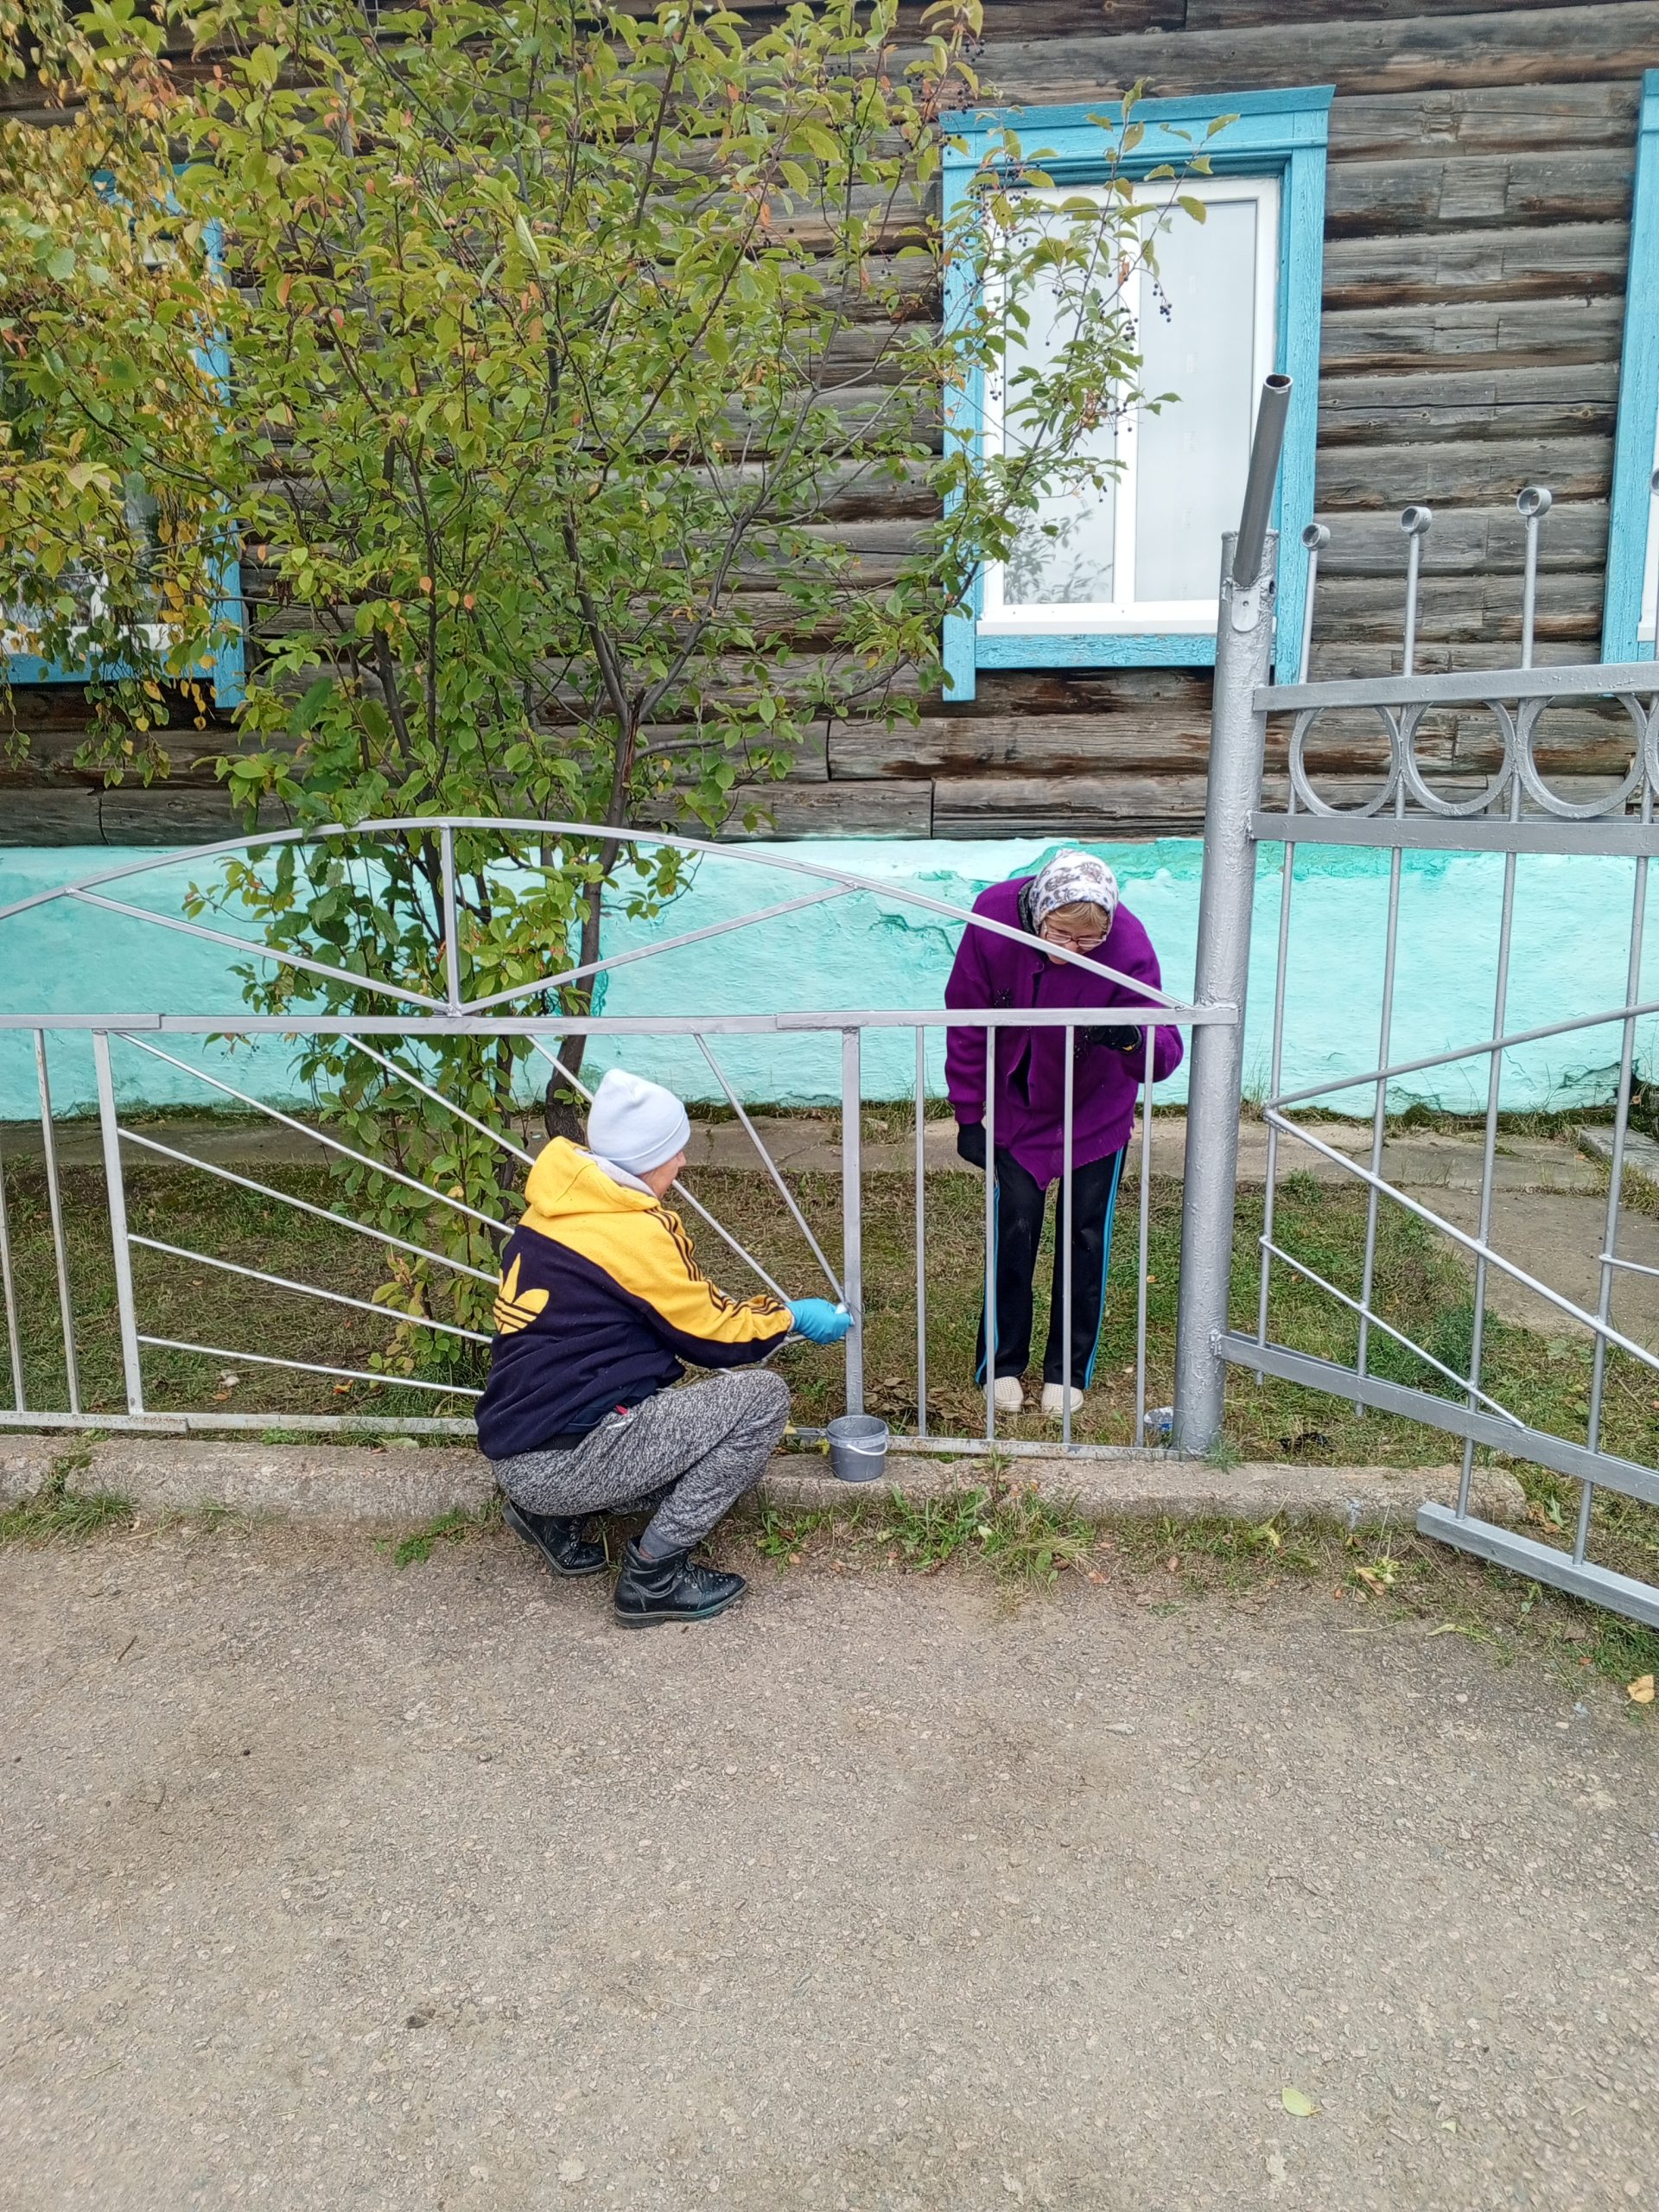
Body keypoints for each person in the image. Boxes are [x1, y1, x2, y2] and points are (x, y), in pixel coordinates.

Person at [477, 1067, 850, 1627]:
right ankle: (654, 1575)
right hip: (568, 1459)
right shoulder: (631, 1234)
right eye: (675, 1152)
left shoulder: (551, 1214)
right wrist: (790, 1316)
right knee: (761, 1401)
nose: (683, 1164)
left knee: (673, 1425)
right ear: (646, 1158)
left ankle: (548, 1519)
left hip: (518, 1454)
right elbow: (711, 1335)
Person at [944, 849, 1183, 1420]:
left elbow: (1166, 1053)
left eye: (1087, 942)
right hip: (1017, 1112)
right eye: (1059, 935)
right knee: (1015, 1229)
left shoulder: (1126, 943)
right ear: (1038, 912)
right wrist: (968, 1114)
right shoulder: (993, 917)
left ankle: (1067, 1372)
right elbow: (968, 1021)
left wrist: (1129, 1039)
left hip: (1094, 1114)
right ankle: (1001, 1365)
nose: (1070, 952)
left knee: (1084, 1237)